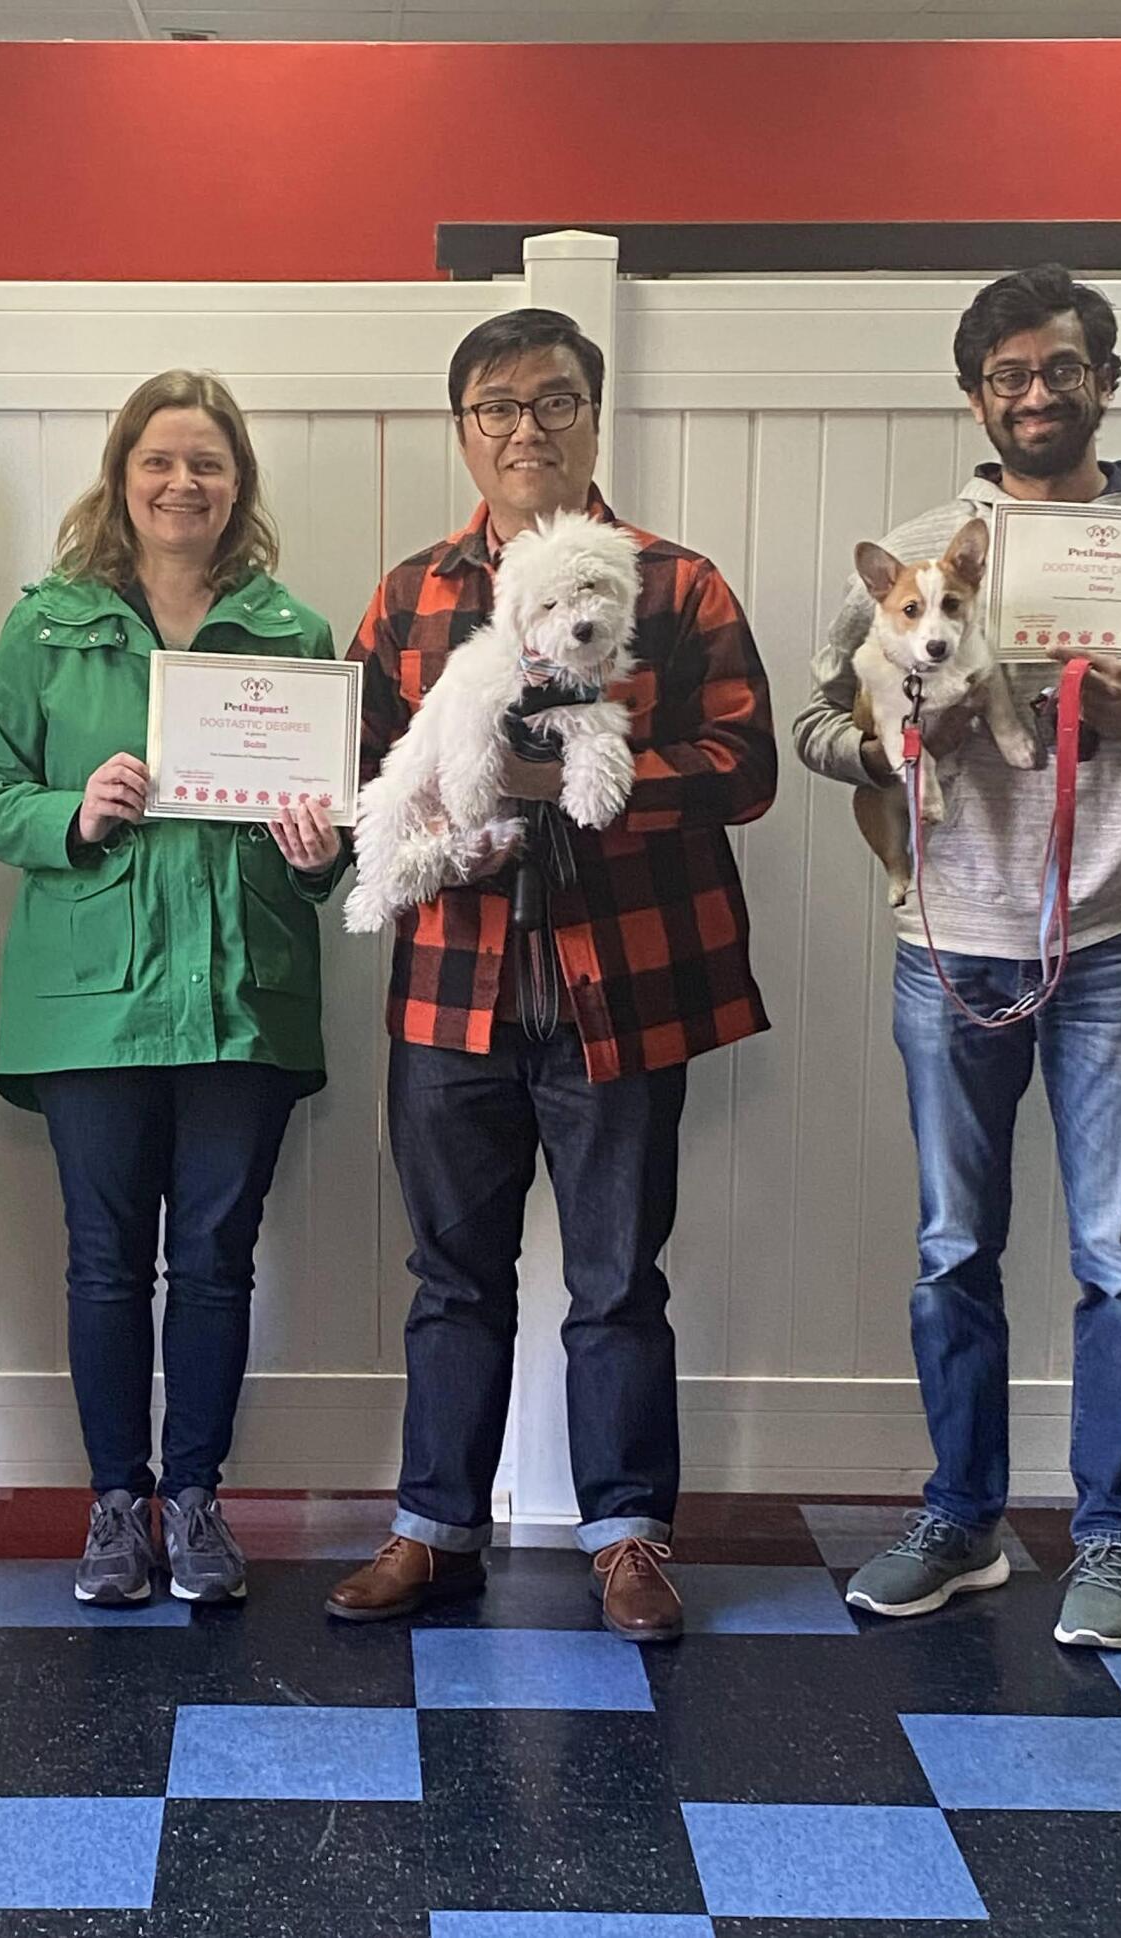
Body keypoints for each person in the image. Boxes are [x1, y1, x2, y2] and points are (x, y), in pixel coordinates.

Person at [794, 266, 1121, 1650]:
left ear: (1106, 379)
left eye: (1061, 368)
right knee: (954, 1248)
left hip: (1119, 938)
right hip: (949, 943)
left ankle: (1115, 1539)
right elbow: (816, 730)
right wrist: (901, 738)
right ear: (976, 395)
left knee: (1120, 1258)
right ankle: (962, 1519)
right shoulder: (913, 553)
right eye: (1007, 374)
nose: (1035, 393)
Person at [324, 309, 777, 1642]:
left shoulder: (678, 586)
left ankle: (627, 1535)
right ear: (463, 428)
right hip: (447, 995)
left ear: (596, 412)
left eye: (556, 401)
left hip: (625, 987)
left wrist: (579, 783)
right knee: (451, 1275)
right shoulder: (408, 595)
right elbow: (356, 763)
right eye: (498, 407)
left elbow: (744, 768)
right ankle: (433, 1530)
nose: (528, 428)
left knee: (617, 1278)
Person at [0, 370, 342, 1607]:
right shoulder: (47, 626)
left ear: (240, 486)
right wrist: (72, 811)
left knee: (220, 1259)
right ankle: (116, 1507)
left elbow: (341, 825)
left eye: (208, 464)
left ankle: (198, 1502)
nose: (185, 484)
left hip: (242, 991)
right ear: (121, 479)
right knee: (107, 1261)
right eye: (160, 462)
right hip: (92, 999)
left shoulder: (297, 638)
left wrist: (324, 850)